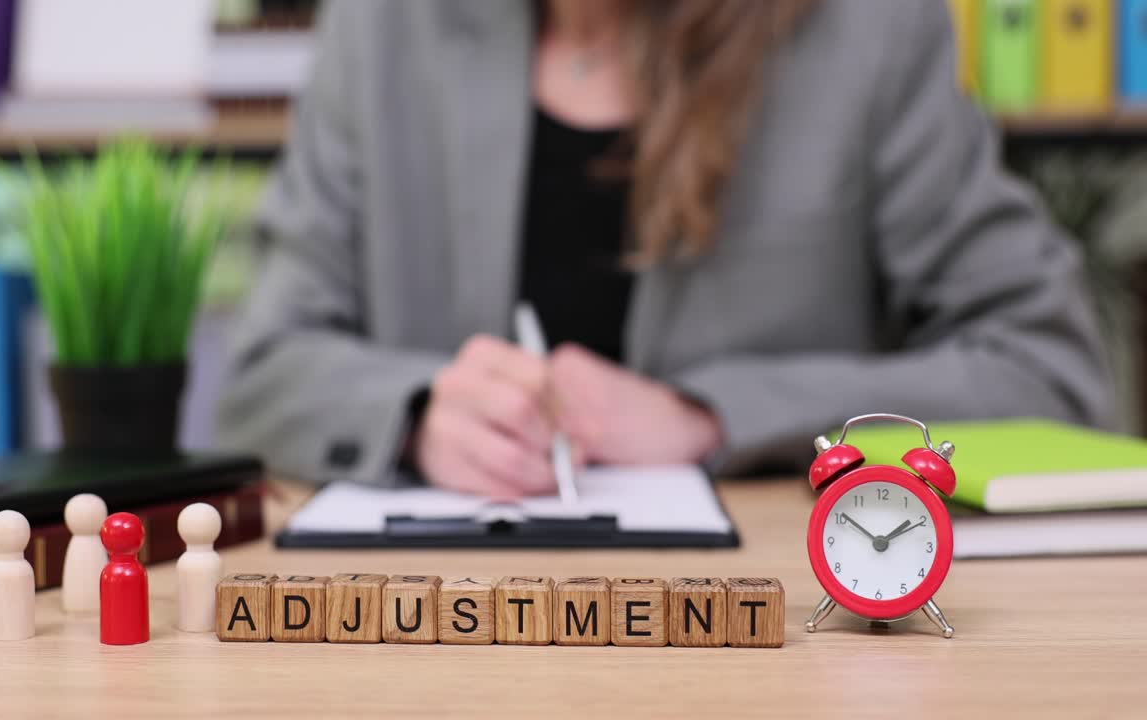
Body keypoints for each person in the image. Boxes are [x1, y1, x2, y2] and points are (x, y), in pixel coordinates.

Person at [217, 0, 1113, 498]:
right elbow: (262, 376)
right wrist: (415, 415)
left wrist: (717, 418)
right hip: (444, 638)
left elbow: (1054, 375)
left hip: (773, 638)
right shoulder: (383, 28)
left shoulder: (869, 31)